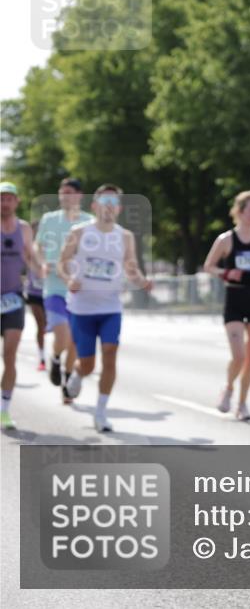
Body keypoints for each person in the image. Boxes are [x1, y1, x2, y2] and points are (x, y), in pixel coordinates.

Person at [59, 184, 153, 433]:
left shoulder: (125, 236)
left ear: (119, 208)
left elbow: (131, 267)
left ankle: (101, 412)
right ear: (95, 206)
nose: (109, 207)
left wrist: (142, 281)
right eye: (104, 201)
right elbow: (62, 262)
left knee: (110, 353)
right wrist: (69, 280)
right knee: (88, 364)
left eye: (113, 202)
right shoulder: (79, 232)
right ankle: (77, 375)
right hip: (82, 309)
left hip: (111, 307)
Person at [203, 191, 250, 421]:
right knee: (239, 356)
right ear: (239, 211)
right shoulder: (226, 239)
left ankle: (242, 404)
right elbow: (208, 266)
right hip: (235, 301)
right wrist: (227, 272)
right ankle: (228, 387)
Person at [35, 177, 92, 403]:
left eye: (69, 192)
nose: (64, 195)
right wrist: (40, 263)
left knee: (75, 343)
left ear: (79, 195)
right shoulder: (49, 219)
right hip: (54, 287)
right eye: (61, 191)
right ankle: (56, 358)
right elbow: (37, 246)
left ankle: (67, 383)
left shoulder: (90, 222)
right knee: (63, 333)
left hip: (78, 290)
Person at [1, 182, 42, 430]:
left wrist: (42, 269)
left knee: (10, 355)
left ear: (16, 202)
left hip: (13, 299)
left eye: (9, 198)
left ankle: (4, 410)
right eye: (1, 198)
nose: (4, 203)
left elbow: (31, 256)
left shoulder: (24, 228)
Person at [24, 227, 47, 372]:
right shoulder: (30, 249)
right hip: (34, 293)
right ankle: (42, 358)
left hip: (50, 294)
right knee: (41, 325)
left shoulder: (54, 248)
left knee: (49, 325)